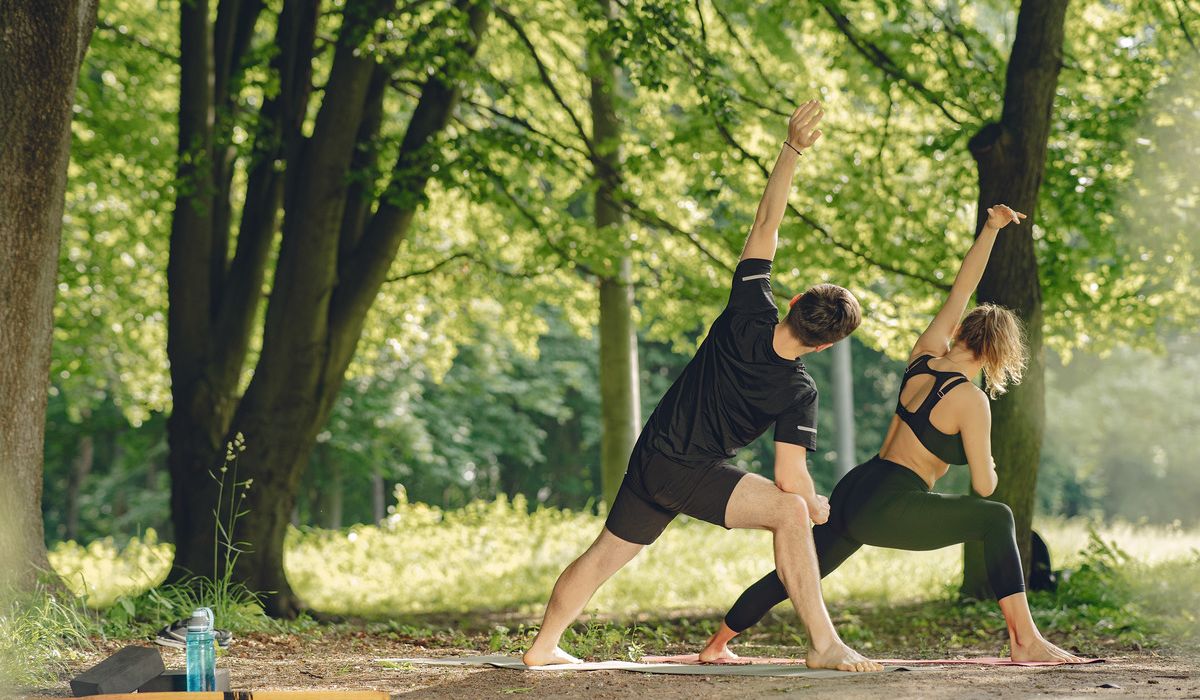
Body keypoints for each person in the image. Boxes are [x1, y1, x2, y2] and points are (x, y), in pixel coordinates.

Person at [522, 101, 882, 672]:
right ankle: (823, 644)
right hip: (688, 471)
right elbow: (790, 479)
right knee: (790, 512)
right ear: (825, 346)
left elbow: (766, 222)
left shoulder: (747, 307)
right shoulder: (798, 390)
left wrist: (790, 148)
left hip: (653, 453)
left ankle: (542, 648)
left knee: (605, 554)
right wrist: (814, 504)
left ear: (792, 304)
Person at [697, 204, 1085, 664]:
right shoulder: (972, 401)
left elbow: (963, 287)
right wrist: (990, 459)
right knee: (996, 516)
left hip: (860, 485)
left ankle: (717, 644)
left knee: (799, 570)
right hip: (894, 501)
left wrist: (991, 229)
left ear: (960, 331)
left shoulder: (925, 354)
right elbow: (983, 486)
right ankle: (1025, 641)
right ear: (999, 355)